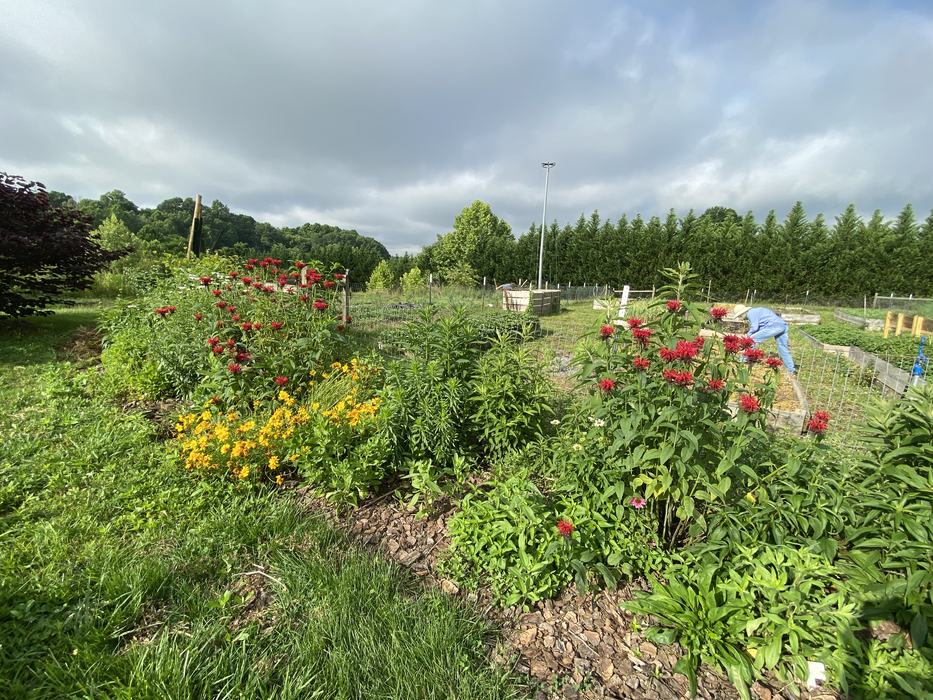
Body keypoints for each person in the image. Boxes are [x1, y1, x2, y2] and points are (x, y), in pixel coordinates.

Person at [730, 304, 797, 374]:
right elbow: (760, 327)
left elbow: (755, 327)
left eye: (740, 316)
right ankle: (791, 370)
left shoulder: (750, 313)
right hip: (782, 325)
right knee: (783, 348)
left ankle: (743, 359)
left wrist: (748, 335)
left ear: (743, 313)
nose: (741, 318)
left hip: (773, 326)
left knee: (752, 340)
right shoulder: (757, 311)